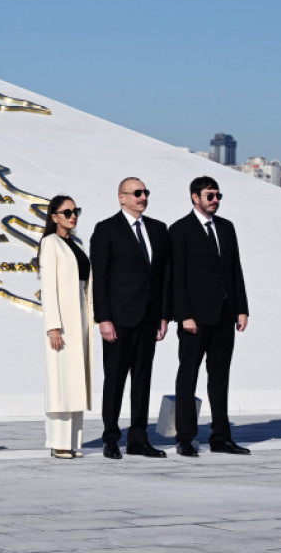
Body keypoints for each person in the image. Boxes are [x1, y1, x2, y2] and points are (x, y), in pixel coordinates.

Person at [167, 175, 251, 456]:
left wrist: (241, 308)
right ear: (195, 198)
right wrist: (184, 315)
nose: (215, 201)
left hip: (224, 316)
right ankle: (186, 437)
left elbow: (234, 270)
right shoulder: (179, 230)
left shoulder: (226, 228)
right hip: (194, 319)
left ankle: (221, 437)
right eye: (210, 196)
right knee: (187, 377)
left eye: (218, 196)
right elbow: (176, 278)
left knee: (220, 377)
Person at [90, 177, 170, 460]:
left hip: (148, 318)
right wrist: (104, 318)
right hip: (119, 319)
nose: (143, 197)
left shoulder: (158, 229)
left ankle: (138, 438)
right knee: (114, 381)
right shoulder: (106, 229)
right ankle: (111, 438)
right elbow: (99, 278)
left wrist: (163, 315)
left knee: (142, 380)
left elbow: (162, 278)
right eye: (137, 193)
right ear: (121, 197)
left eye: (146, 192)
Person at [39, 194, 94, 460]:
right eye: (67, 212)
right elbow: (48, 287)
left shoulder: (78, 243)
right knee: (61, 379)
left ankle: (73, 442)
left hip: (80, 316)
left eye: (76, 211)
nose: (73, 216)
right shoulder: (50, 244)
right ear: (54, 216)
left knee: (76, 379)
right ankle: (58, 442)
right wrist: (53, 326)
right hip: (62, 319)